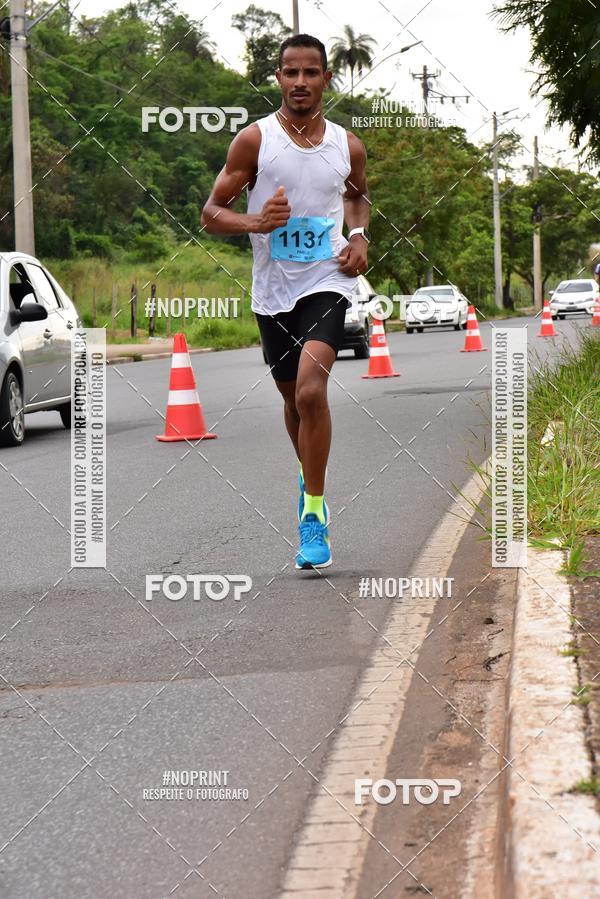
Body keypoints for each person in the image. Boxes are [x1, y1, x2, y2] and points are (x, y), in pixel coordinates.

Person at [202, 33, 370, 570]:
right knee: (290, 400)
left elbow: (356, 195)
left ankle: (314, 513)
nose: (301, 82)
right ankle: (309, 476)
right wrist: (255, 221)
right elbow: (211, 213)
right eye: (290, 73)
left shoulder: (347, 145)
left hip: (327, 280)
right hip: (272, 290)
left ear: (326, 79)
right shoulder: (255, 142)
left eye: (311, 73)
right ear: (278, 78)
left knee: (311, 391)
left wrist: (360, 237)